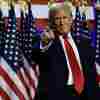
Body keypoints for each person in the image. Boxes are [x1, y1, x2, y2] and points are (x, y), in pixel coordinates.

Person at [32, 3, 97, 100]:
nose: (62, 22)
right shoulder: (44, 39)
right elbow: (36, 56)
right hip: (56, 96)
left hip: (84, 95)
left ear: (71, 19)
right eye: (57, 19)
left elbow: (91, 74)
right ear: (51, 22)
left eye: (65, 17)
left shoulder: (84, 42)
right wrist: (44, 43)